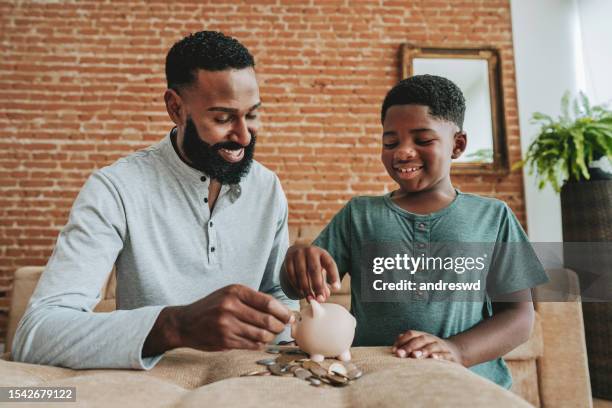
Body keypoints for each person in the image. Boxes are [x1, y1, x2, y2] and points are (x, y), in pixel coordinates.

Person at [12, 31, 298, 370]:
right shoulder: (116, 188)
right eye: (222, 118)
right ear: (175, 108)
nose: (244, 135)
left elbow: (277, 298)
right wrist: (176, 325)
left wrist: (306, 323)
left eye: (251, 114)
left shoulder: (267, 188)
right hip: (147, 388)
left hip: (244, 384)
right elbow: (36, 334)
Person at [280, 74, 548, 388]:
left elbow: (519, 317)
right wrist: (295, 258)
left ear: (457, 145)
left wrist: (456, 350)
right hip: (374, 381)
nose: (403, 152)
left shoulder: (493, 217)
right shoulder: (359, 215)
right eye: (390, 142)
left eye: (422, 140)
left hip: (466, 384)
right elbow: (299, 288)